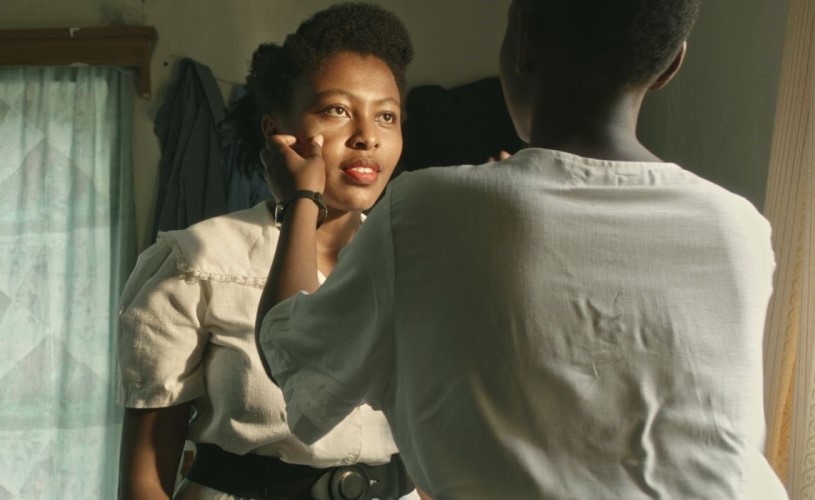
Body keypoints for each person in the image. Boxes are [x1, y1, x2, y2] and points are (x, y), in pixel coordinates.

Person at [255, 0, 789, 498]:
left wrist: (300, 196)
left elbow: (292, 352)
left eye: (388, 115)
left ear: (523, 39)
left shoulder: (423, 211)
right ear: (672, 64)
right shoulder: (740, 228)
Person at [116, 3, 419, 499]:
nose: (368, 137)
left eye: (387, 115)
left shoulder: (417, 260)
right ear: (275, 129)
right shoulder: (197, 263)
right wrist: (303, 199)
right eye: (337, 110)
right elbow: (145, 478)